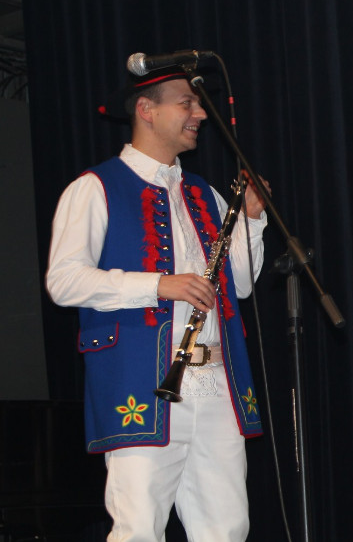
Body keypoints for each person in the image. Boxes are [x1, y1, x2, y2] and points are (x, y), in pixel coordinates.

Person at [46, 66, 270, 541]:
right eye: (187, 103)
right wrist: (157, 285)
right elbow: (63, 282)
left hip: (216, 383)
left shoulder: (205, 193)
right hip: (142, 381)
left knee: (226, 529)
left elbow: (238, 286)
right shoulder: (95, 187)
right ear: (147, 110)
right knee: (140, 528)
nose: (200, 114)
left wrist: (251, 221)